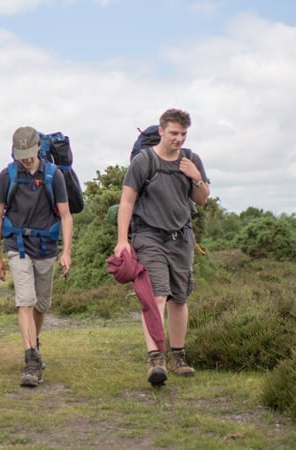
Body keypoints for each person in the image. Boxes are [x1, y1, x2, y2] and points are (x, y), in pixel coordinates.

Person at [113, 108, 209, 387]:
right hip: (148, 236)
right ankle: (155, 357)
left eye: (183, 134)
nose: (178, 139)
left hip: (182, 237)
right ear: (161, 131)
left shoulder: (192, 160)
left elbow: (202, 199)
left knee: (179, 298)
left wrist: (196, 177)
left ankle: (178, 356)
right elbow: (127, 202)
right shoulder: (144, 162)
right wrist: (123, 240)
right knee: (156, 297)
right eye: (174, 133)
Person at [0, 126, 73, 388]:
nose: (25, 159)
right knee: (24, 301)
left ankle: (34, 345)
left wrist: (67, 251)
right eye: (20, 154)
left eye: (29, 153)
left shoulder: (53, 175)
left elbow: (66, 215)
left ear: (38, 148)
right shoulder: (8, 175)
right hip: (18, 245)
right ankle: (30, 359)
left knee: (41, 305)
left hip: (46, 247)